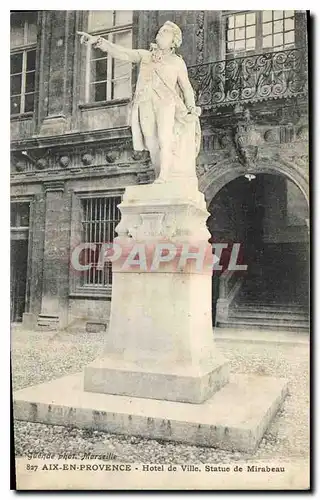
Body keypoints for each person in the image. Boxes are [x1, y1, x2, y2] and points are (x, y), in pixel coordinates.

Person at [78, 21, 201, 182]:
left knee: (165, 137)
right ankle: (160, 175)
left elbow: (186, 87)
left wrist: (191, 107)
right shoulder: (145, 56)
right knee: (151, 142)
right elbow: (123, 53)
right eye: (160, 31)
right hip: (145, 102)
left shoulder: (177, 62)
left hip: (166, 102)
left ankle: (164, 176)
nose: (160, 34)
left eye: (165, 32)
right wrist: (99, 42)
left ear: (174, 40)